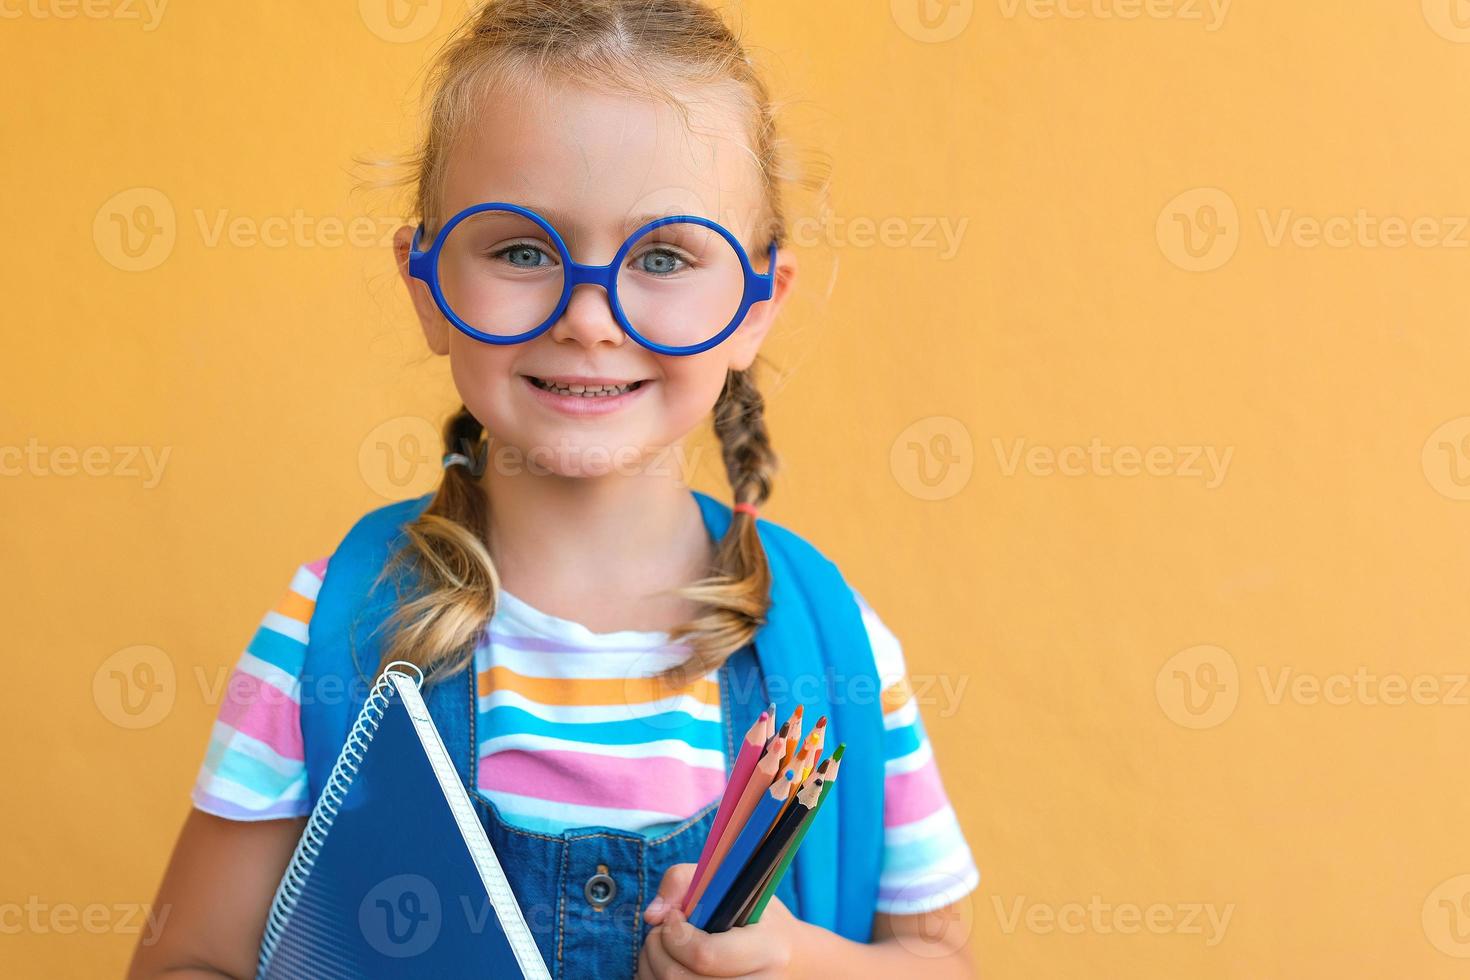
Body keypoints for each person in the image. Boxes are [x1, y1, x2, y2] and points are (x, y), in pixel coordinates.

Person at [130, 2, 977, 977]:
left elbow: (938, 959)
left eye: (662, 256)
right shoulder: (332, 628)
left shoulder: (832, 647)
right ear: (425, 282)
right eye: (523, 250)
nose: (587, 316)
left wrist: (791, 958)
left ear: (756, 303)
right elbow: (191, 959)